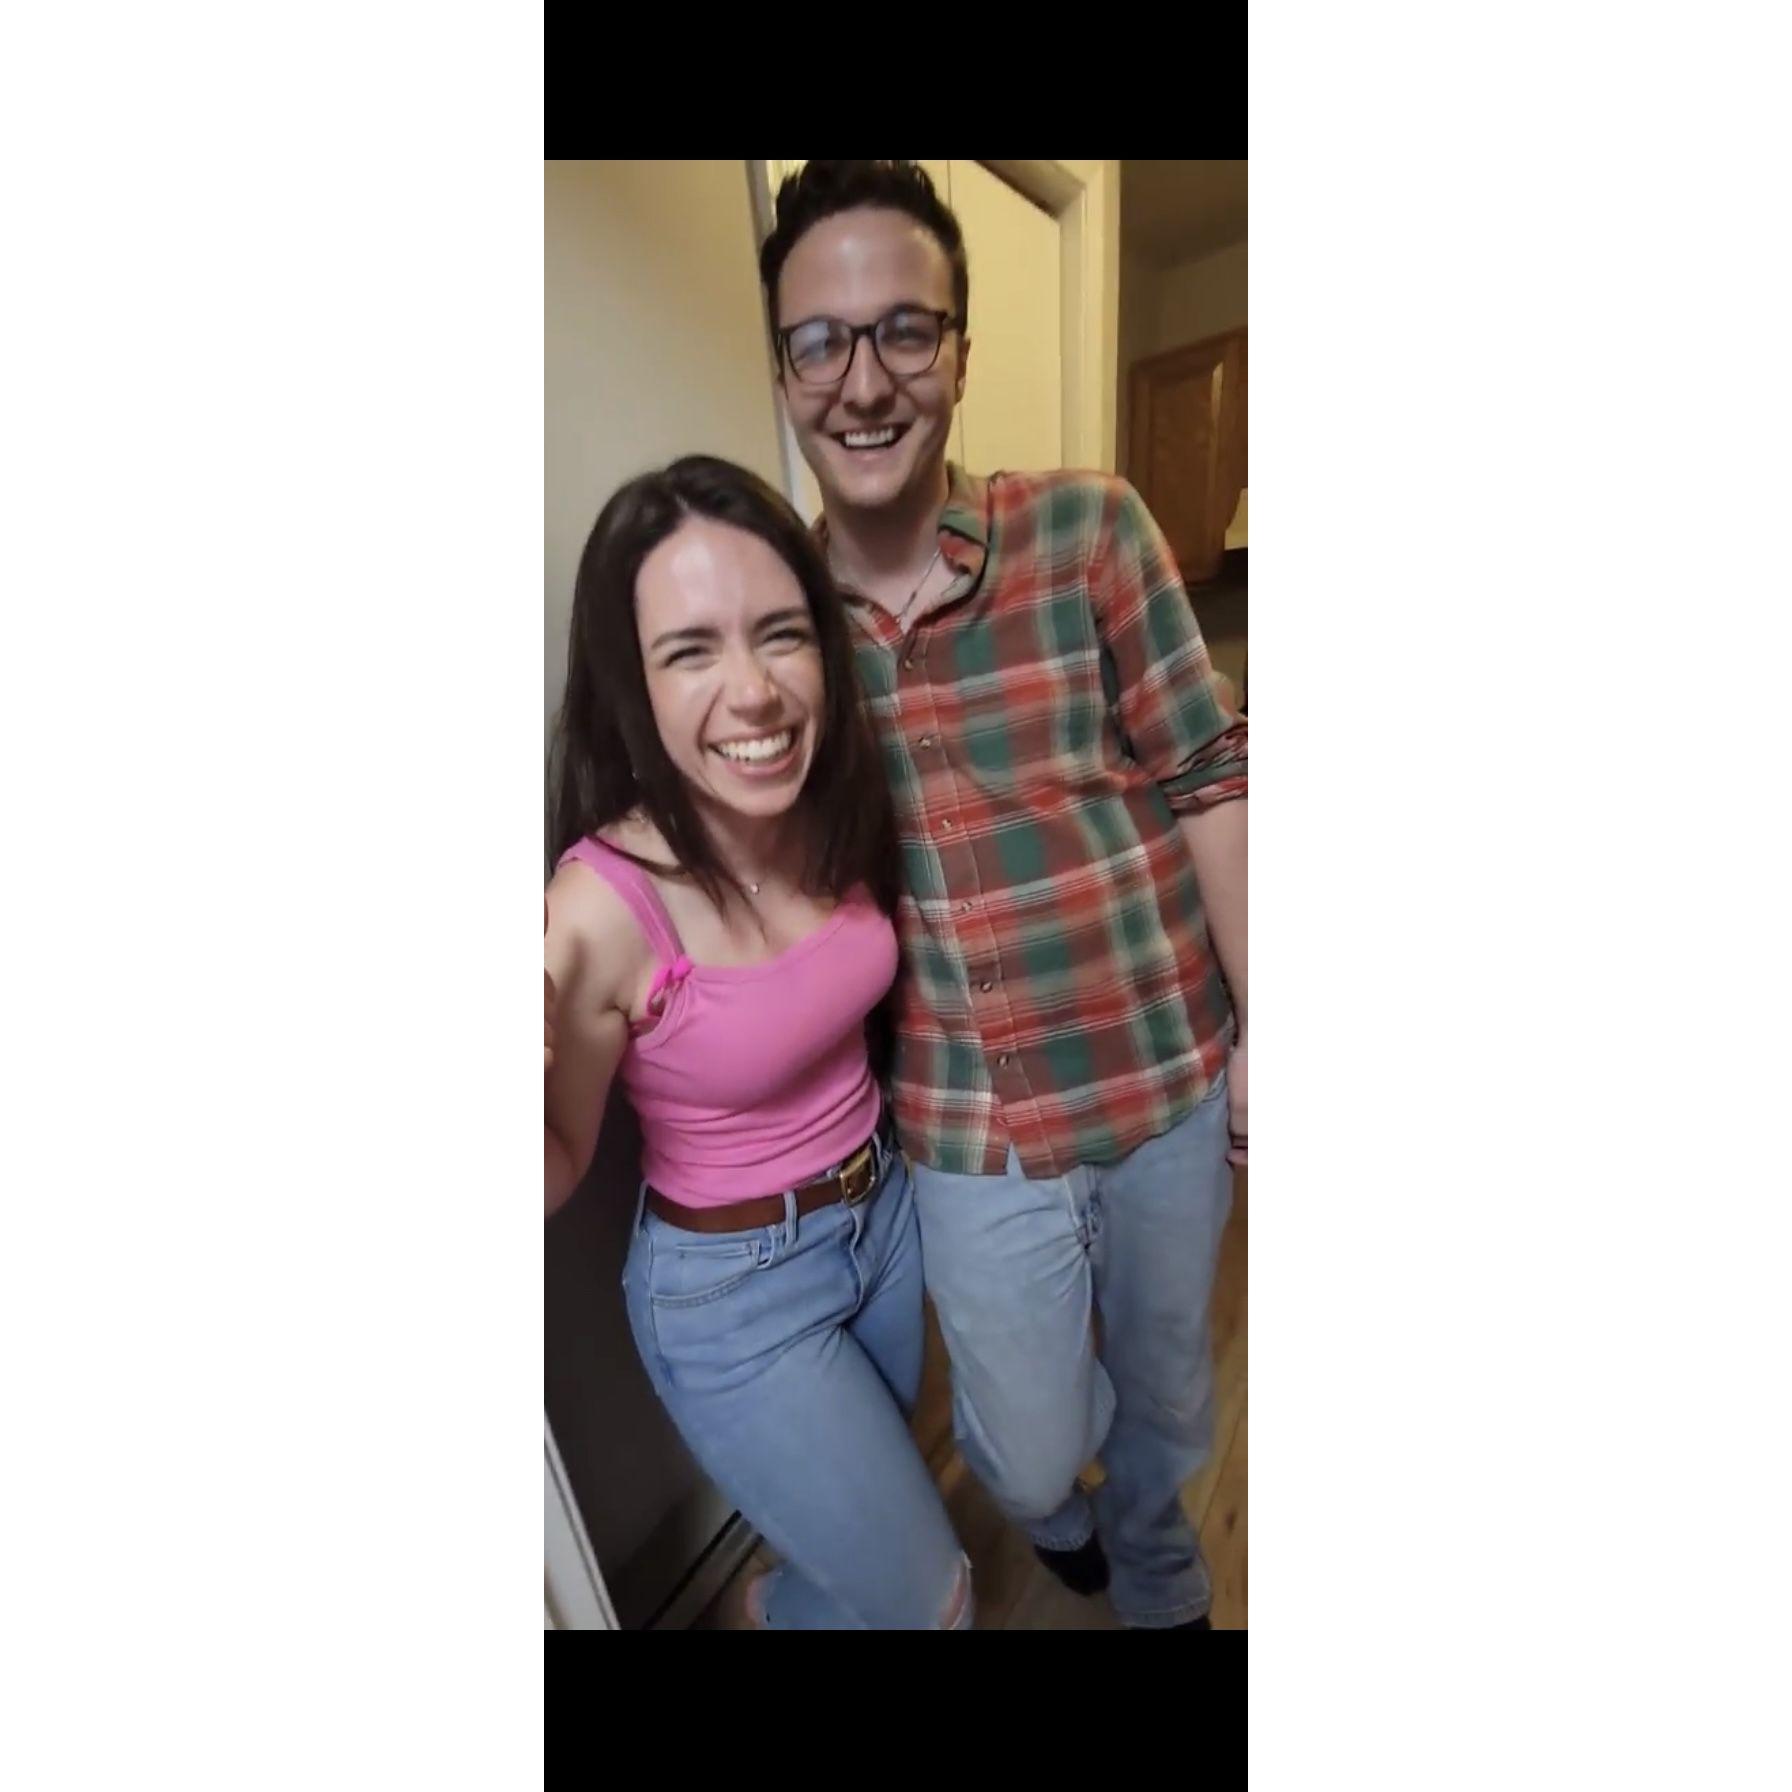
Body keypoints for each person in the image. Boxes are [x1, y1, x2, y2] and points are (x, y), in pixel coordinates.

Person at [757, 161, 1249, 1630]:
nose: (865, 381)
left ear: (960, 353)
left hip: (1163, 1070)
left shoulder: (1089, 532)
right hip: (969, 1127)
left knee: (1171, 1390)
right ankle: (1056, 1507)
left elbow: (1210, 773)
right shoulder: (780, 632)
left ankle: (1156, 1559)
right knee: (1027, 1447)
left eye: (905, 330)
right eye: (820, 341)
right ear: (782, 370)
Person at [543, 454, 970, 1630]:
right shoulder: (596, 905)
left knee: (859, 1548)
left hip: (881, 1219)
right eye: (691, 650)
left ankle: (773, 1601)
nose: (754, 692)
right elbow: (553, 1166)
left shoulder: (829, 805)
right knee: (932, 1599)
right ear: (631, 682)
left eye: (780, 634)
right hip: (731, 1290)